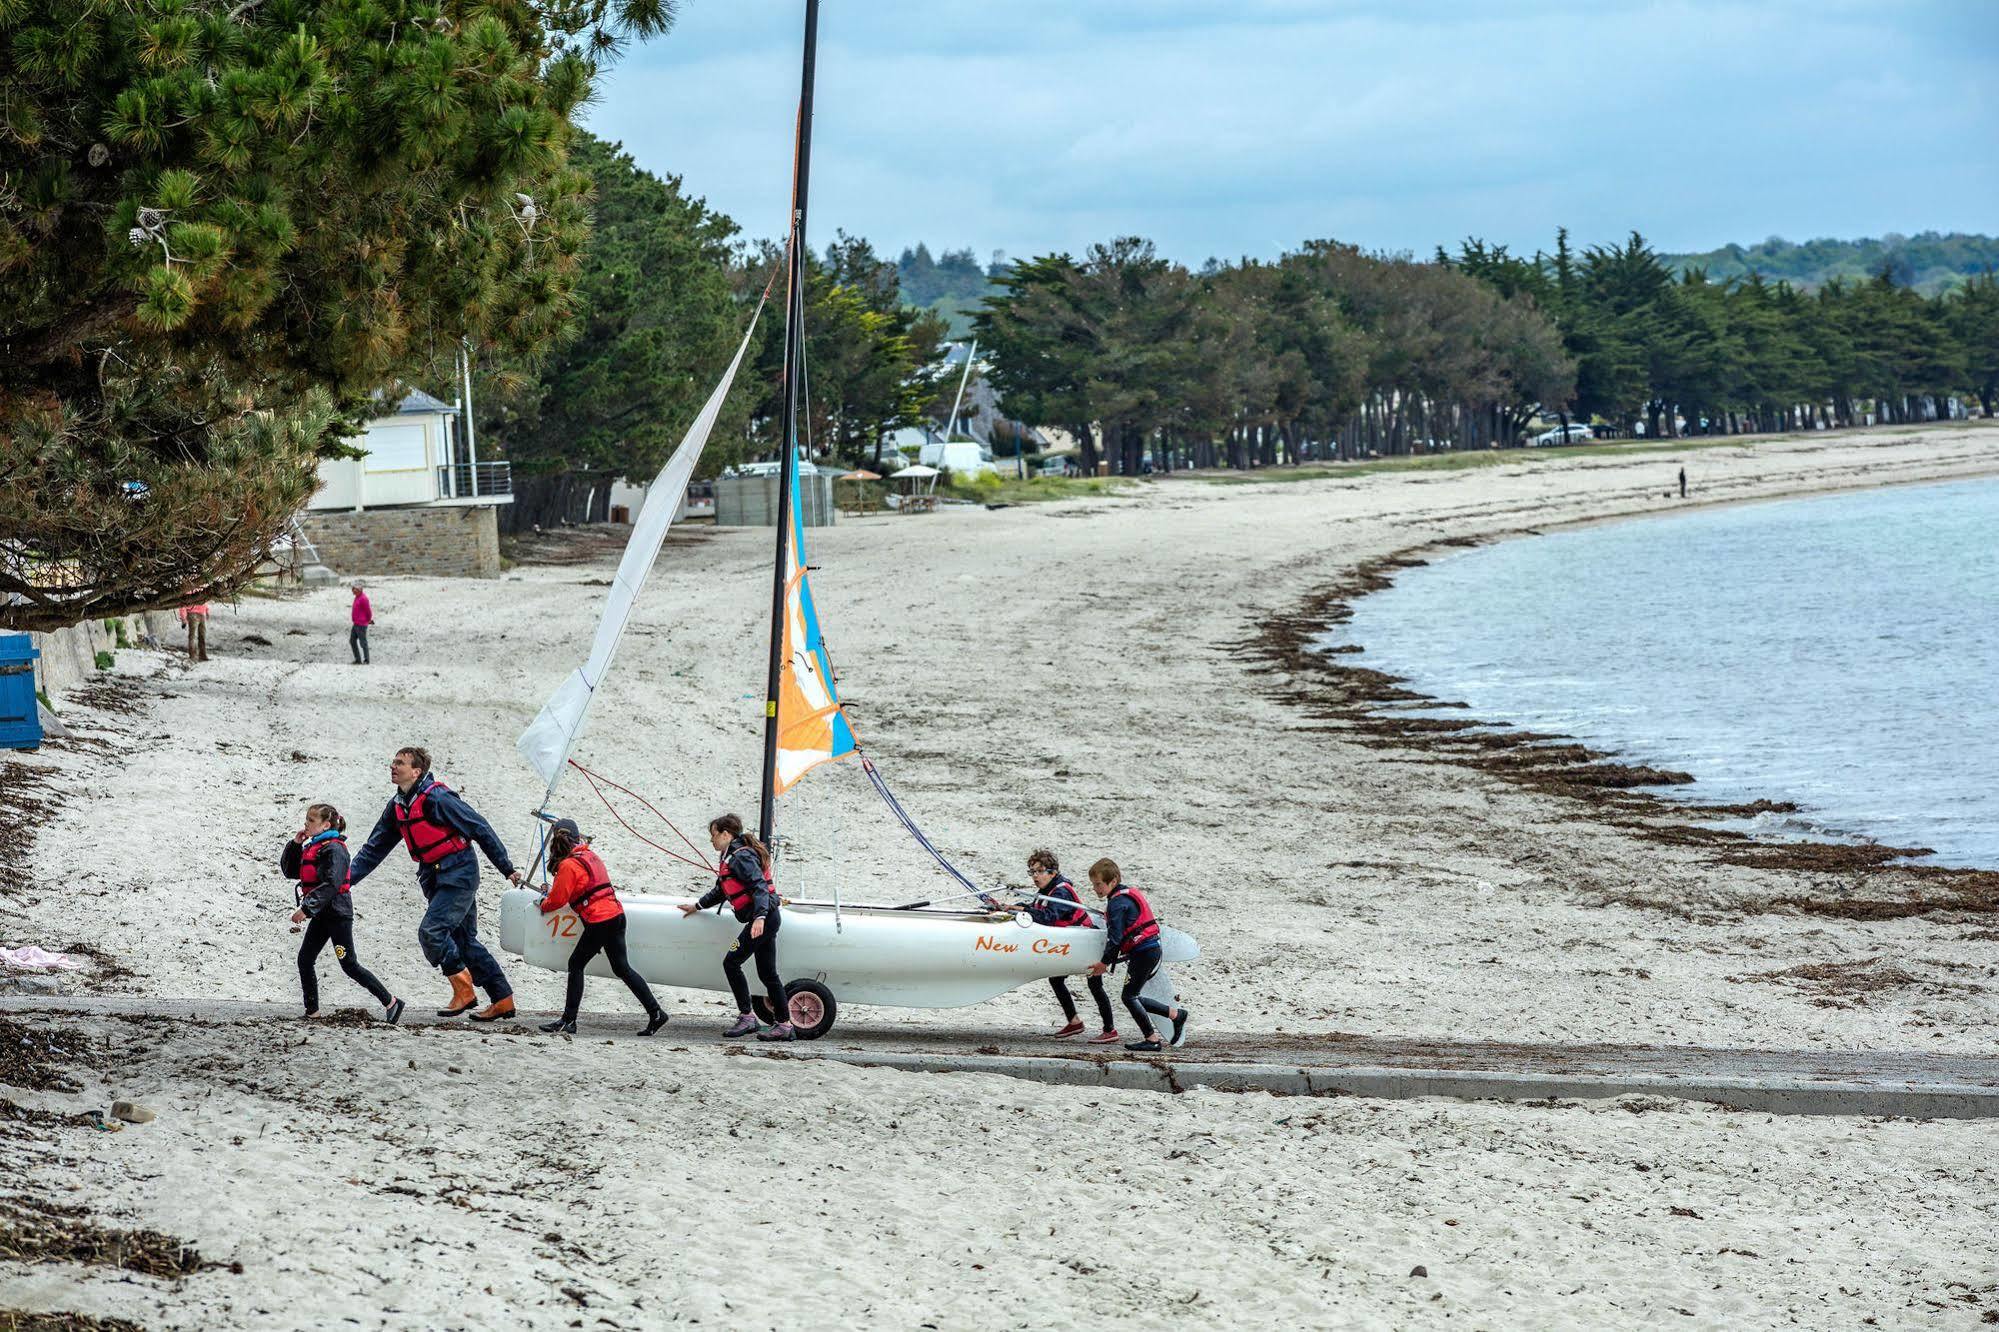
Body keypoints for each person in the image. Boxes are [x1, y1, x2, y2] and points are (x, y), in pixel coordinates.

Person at [349, 746, 524, 1021]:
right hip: (434, 877)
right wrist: (346, 880)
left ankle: (464, 990)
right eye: (393, 762)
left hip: (459, 875)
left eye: (400, 763)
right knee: (463, 940)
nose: (393, 767)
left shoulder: (438, 798)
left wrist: (506, 867)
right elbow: (374, 848)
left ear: (417, 771)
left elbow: (479, 827)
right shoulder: (397, 806)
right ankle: (502, 997)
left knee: (432, 931)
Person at [535, 818, 668, 1037]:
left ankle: (569, 1021)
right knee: (622, 968)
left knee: (576, 963)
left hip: (599, 921)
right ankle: (656, 1013)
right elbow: (579, 886)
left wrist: (543, 902)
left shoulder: (568, 865)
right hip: (616, 915)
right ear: (578, 838)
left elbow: (557, 901)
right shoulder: (590, 856)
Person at [280, 803, 405, 1024]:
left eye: (311, 820)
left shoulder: (335, 849)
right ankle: (312, 1012)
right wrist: (295, 845)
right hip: (322, 915)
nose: (306, 824)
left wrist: (306, 909)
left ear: (326, 824)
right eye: (306, 819)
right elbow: (290, 871)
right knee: (305, 959)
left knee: (349, 965)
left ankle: (391, 1002)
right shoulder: (314, 847)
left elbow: (332, 883)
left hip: (338, 915)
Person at [680, 814, 792, 1041]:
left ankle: (747, 1017)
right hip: (767, 917)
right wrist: (697, 906)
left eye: (713, 835)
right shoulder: (730, 855)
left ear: (725, 834)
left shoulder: (741, 857)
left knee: (731, 962)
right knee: (768, 973)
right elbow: (722, 890)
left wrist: (759, 918)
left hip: (764, 918)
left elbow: (760, 887)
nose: (711, 840)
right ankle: (784, 1025)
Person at [1085, 858, 1190, 1053]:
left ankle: (1152, 1039)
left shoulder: (1117, 903)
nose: (1095, 889)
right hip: (1148, 950)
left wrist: (1104, 963)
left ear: (1113, 881)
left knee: (1130, 996)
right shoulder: (1122, 897)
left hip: (1144, 952)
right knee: (1131, 996)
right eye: (1093, 885)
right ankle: (1176, 1015)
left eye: (1098, 884)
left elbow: (1115, 939)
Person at [1020, 850, 1117, 1043]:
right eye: (1032, 872)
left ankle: (1110, 1030)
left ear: (1053, 872)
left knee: (1095, 985)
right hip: (1070, 943)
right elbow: (1035, 908)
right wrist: (1008, 907)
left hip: (1086, 943)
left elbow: (1047, 918)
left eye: (1039, 871)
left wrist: (1021, 910)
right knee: (1056, 980)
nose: (1035, 876)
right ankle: (1075, 1023)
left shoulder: (1061, 891)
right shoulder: (1047, 890)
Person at [350, 583, 373, 665]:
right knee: (352, 641)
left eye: (354, 589)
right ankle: (358, 659)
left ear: (359, 590)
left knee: (363, 643)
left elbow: (368, 611)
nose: (352, 591)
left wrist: (368, 620)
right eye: (352, 589)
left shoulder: (364, 598)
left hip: (361, 625)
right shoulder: (357, 597)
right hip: (355, 623)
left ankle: (366, 660)